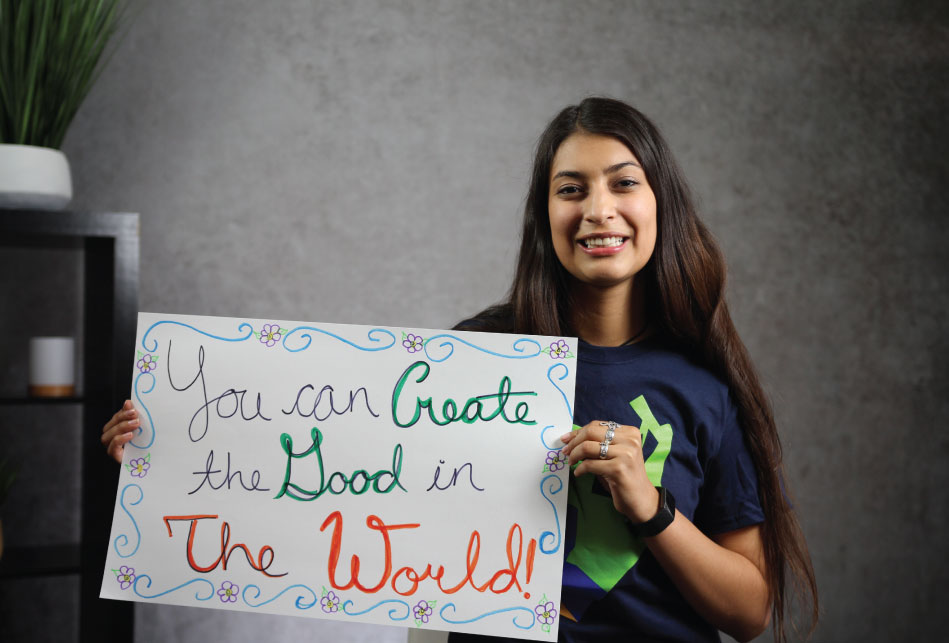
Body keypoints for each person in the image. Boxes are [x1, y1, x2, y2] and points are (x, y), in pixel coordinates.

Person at [101, 97, 818, 642]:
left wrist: (650, 506)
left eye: (621, 183)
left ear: (659, 201)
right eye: (570, 189)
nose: (598, 209)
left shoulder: (703, 386)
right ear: (545, 215)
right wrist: (171, 447)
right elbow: (333, 466)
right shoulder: (474, 358)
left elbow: (749, 609)